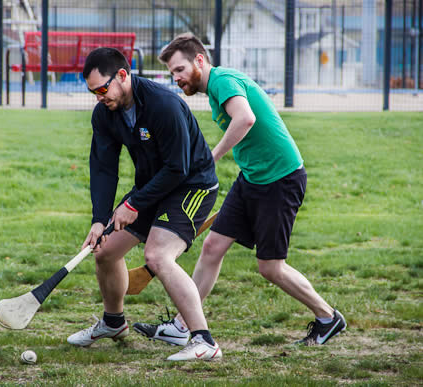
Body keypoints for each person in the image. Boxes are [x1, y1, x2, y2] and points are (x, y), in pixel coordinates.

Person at [133, 33, 346, 347]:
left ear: (199, 61)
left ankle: (328, 317)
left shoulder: (223, 80)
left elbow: (245, 118)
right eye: (172, 73)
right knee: (212, 247)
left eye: (179, 69)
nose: (176, 78)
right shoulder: (214, 89)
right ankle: (182, 326)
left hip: (281, 180)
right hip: (252, 179)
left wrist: (210, 158)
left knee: (271, 267)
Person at [66, 47, 222, 361]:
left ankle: (204, 342)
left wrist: (134, 204)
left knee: (158, 255)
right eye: (92, 91)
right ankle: (113, 323)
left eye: (102, 88)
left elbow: (178, 167)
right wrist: (100, 219)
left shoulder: (163, 105)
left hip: (193, 186)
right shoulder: (105, 114)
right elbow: (104, 168)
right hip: (152, 188)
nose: (98, 97)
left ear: (122, 76)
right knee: (105, 251)